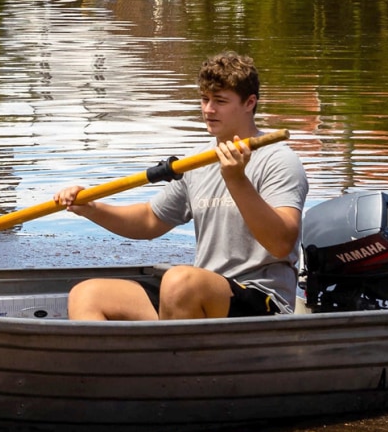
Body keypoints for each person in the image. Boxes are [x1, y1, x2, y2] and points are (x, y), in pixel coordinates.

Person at [53, 52, 308, 320]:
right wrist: (91, 208)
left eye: (220, 101)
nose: (209, 110)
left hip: (262, 300)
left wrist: (236, 179)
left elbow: (281, 243)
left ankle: (172, 358)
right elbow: (150, 219)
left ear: (250, 103)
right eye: (205, 99)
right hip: (202, 290)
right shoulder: (196, 162)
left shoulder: (279, 160)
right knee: (87, 294)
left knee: (181, 281)